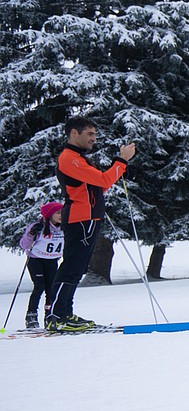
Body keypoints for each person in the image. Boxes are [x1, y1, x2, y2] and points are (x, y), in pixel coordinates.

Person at [45, 116, 135, 332]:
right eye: (89, 134)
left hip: (89, 216)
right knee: (72, 267)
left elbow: (98, 186)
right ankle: (56, 316)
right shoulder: (70, 158)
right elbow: (104, 180)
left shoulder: (80, 158)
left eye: (94, 134)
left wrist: (115, 170)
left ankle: (64, 313)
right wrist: (121, 161)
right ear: (74, 133)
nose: (93, 138)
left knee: (77, 268)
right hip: (79, 217)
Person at [19, 202, 65, 328]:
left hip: (52, 260)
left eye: (62, 212)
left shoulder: (64, 227)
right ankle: (31, 315)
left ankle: (49, 315)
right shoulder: (38, 226)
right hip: (36, 260)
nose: (61, 215)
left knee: (51, 288)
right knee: (39, 286)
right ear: (50, 214)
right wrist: (31, 234)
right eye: (58, 213)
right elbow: (24, 245)